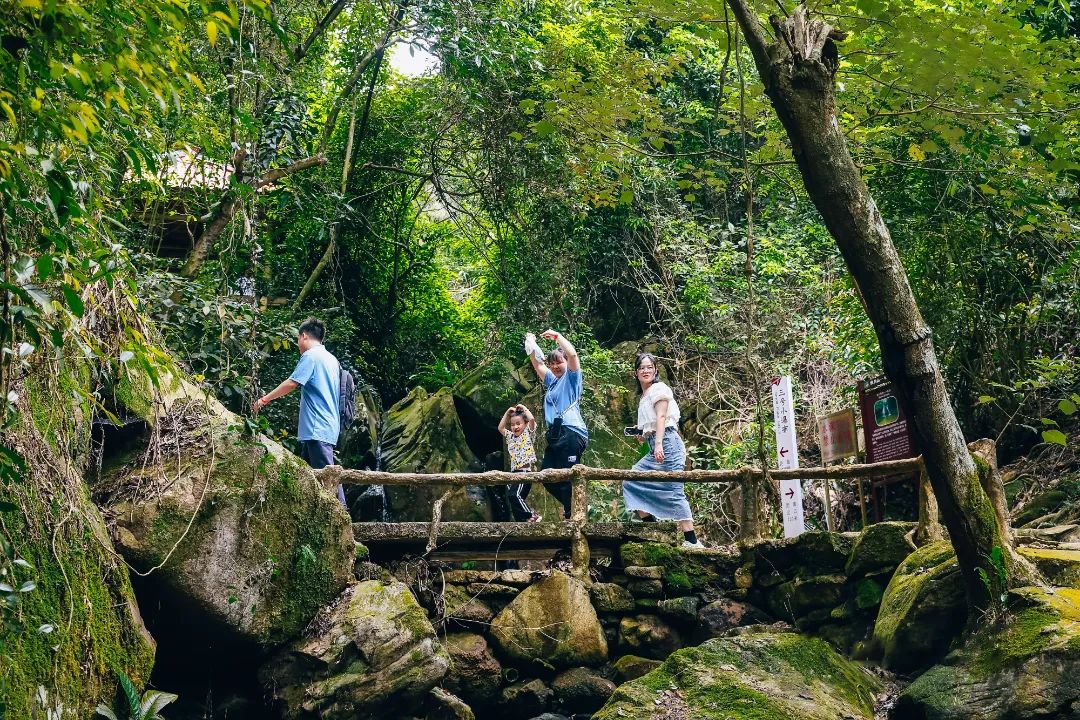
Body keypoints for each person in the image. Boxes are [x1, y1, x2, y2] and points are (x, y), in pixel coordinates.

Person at [252, 318, 346, 507]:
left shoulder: (311, 356)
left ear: (303, 335)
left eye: (297, 340)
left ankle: (343, 517)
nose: (298, 345)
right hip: (327, 425)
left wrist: (264, 399)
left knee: (328, 475)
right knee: (305, 475)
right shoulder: (332, 359)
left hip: (317, 426)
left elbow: (292, 383)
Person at [622, 352, 704, 549]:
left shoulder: (659, 388)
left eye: (650, 367)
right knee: (631, 479)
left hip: (668, 445)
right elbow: (650, 427)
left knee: (674, 490)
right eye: (642, 367)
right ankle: (653, 528)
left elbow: (662, 418)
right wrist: (643, 436)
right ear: (636, 373)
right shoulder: (644, 396)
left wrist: (658, 444)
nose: (646, 370)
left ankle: (692, 540)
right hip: (655, 446)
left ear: (656, 370)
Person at [525, 329, 588, 519]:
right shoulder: (552, 381)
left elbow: (573, 354)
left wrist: (557, 337)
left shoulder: (572, 378)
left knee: (568, 475)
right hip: (556, 434)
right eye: (552, 363)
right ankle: (575, 506)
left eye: (559, 362)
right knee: (547, 476)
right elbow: (538, 365)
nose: (555, 366)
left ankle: (573, 514)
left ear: (566, 363)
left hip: (572, 432)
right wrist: (530, 342)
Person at [498, 404, 542, 522]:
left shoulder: (528, 433)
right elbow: (501, 428)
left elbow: (531, 419)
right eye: (512, 424)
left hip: (524, 473)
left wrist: (523, 408)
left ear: (525, 424)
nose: (515, 427)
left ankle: (532, 515)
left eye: (518, 423)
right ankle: (523, 522)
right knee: (513, 499)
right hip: (514, 475)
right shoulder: (510, 437)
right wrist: (508, 413)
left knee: (514, 495)